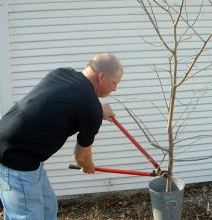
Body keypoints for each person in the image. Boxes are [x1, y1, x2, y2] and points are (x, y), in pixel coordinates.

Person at [0, 53, 123, 220]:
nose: (115, 88)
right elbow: (81, 157)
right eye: (114, 82)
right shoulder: (90, 107)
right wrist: (88, 166)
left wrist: (98, 110)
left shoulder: (62, 73)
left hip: (23, 149)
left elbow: (61, 101)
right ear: (101, 76)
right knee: (28, 216)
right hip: (15, 156)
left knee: (48, 205)